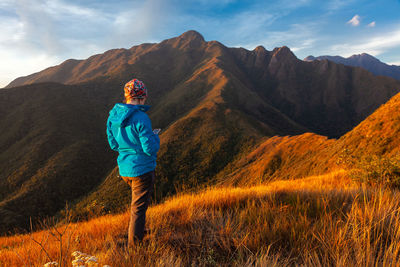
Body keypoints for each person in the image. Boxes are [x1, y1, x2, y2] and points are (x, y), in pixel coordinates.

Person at [106, 78, 160, 247]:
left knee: (138, 207)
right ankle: (134, 249)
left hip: (125, 169)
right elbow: (150, 149)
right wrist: (155, 136)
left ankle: (138, 232)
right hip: (142, 170)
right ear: (143, 98)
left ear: (126, 97)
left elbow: (113, 144)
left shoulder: (113, 116)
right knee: (138, 209)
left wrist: (128, 144)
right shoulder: (141, 117)